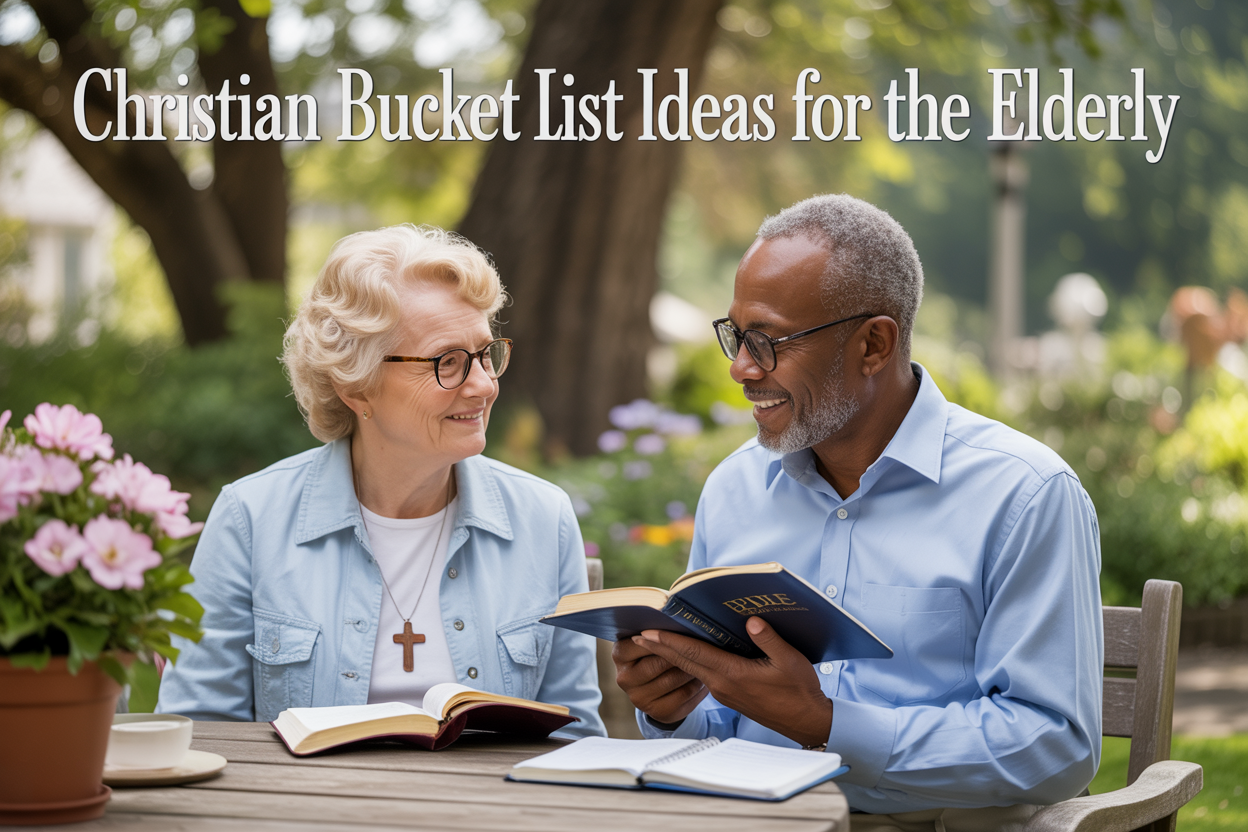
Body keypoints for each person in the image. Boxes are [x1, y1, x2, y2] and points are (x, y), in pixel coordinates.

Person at [613, 194, 1102, 828]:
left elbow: (1055, 744)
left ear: (873, 344)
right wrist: (673, 704)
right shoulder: (734, 489)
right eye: (736, 335)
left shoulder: (1024, 495)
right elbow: (723, 723)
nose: (739, 368)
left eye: (764, 341)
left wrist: (826, 725)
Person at [158, 225, 604, 739]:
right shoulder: (251, 519)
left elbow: (573, 739)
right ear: (356, 384)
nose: (483, 384)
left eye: (485, 354)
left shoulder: (543, 519)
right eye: (448, 363)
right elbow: (201, 734)